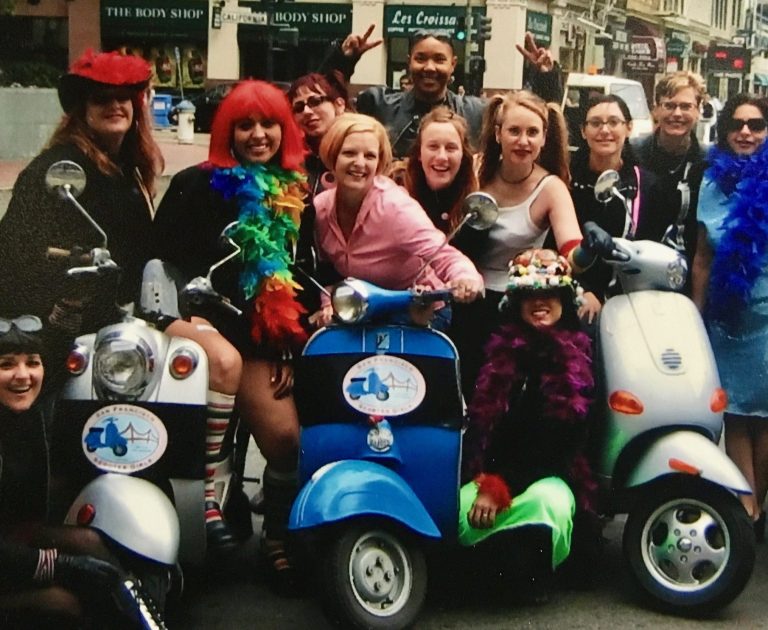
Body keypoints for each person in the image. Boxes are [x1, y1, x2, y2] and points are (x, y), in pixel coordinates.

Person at [152, 80, 309, 592]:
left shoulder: (291, 187)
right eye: (245, 125)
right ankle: (209, 505)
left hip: (260, 334)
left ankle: (277, 539)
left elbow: (293, 271)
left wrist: (287, 339)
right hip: (202, 324)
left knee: (286, 438)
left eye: (269, 124)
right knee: (219, 369)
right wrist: (178, 319)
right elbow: (161, 262)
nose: (258, 135)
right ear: (228, 131)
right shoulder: (197, 184)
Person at [0, 49, 164, 387]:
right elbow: (15, 249)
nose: (115, 106)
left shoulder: (129, 168)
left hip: (112, 327)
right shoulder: (59, 169)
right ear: (82, 110)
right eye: (102, 98)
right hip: (56, 328)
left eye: (124, 97)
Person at [460, 249, 594, 603]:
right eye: (530, 295)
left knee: (546, 504)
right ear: (516, 303)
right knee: (459, 515)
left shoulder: (578, 358)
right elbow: (480, 428)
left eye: (549, 294)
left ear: (564, 301)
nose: (539, 303)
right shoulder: (496, 351)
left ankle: (526, 574)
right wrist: (483, 477)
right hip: (494, 476)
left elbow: (560, 447)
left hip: (547, 477)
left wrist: (501, 485)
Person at [454, 90, 586, 397]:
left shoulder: (551, 187)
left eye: (532, 133)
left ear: (543, 139)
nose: (523, 141)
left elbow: (572, 253)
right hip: (466, 296)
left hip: (518, 306)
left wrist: (590, 249)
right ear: (498, 134)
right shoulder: (474, 170)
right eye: (514, 131)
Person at [0, 316, 126, 627]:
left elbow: (61, 344)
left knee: (91, 544)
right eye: (5, 365)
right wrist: (57, 565)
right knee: (63, 604)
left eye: (32, 363)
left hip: (11, 538)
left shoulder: (29, 405)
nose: (23, 376)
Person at [309, 113, 484, 329]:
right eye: (349, 153)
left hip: (417, 312)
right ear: (332, 156)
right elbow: (326, 272)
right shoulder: (320, 209)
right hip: (358, 310)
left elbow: (443, 254)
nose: (360, 163)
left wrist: (465, 278)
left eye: (370, 156)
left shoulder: (395, 206)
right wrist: (328, 303)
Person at [691, 94, 768, 534]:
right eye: (737, 124)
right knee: (736, 412)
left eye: (756, 125)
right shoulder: (712, 184)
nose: (745, 133)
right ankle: (749, 506)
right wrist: (698, 317)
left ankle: (754, 498)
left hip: (767, 312)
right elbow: (703, 257)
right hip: (728, 315)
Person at [324, 28, 562, 157]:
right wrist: (343, 61)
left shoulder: (478, 112)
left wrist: (546, 77)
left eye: (439, 59)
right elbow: (321, 101)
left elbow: (542, 117)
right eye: (421, 59)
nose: (429, 68)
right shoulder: (378, 103)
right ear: (409, 62)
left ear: (452, 64)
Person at [567, 94, 684, 321]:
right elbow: (553, 245)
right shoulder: (566, 181)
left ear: (628, 128)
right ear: (583, 131)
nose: (604, 130)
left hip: (633, 302)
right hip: (576, 298)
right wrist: (583, 289)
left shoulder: (648, 186)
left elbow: (657, 246)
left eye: (613, 122)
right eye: (595, 123)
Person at [631, 71, 707, 255]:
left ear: (698, 111)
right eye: (669, 106)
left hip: (689, 266)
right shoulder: (632, 154)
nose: (677, 114)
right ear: (656, 109)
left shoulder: (708, 162)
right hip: (636, 261)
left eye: (686, 106)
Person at [403, 106, 478, 236]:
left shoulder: (475, 209)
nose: (442, 157)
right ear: (419, 153)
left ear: (463, 155)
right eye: (433, 147)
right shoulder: (397, 195)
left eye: (450, 148)